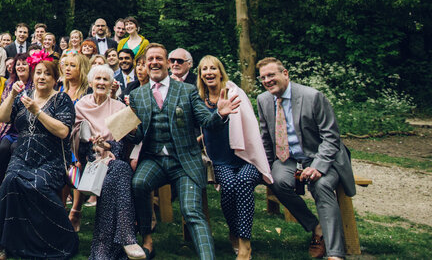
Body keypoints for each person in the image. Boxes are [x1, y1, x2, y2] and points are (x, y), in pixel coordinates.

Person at [128, 43, 239, 260]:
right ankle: (147, 240)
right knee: (138, 183)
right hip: (154, 160)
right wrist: (128, 131)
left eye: (159, 58)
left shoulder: (187, 91)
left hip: (184, 161)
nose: (154, 63)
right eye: (150, 59)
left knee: (191, 211)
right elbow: (138, 135)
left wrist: (220, 114)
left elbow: (206, 121)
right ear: (144, 64)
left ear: (167, 63)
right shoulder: (137, 95)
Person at [256, 57, 356, 260]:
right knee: (276, 180)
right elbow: (266, 138)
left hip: (321, 156)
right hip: (288, 159)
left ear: (285, 74)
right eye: (263, 77)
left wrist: (318, 167)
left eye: (271, 75)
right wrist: (264, 168)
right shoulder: (263, 100)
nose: (267, 80)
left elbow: (331, 136)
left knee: (321, 186)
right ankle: (316, 228)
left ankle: (335, 254)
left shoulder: (313, 96)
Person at [0, 53, 78, 260]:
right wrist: (11, 95)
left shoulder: (61, 99)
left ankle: (45, 241)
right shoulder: (23, 96)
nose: (42, 77)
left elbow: (63, 131)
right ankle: (2, 243)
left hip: (49, 159)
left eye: (47, 74)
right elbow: (1, 117)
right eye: (38, 73)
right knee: (10, 181)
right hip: (22, 155)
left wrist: (37, 111)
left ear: (56, 79)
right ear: (33, 76)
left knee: (38, 185)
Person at [197, 56, 272, 260]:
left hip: (245, 156)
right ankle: (235, 231)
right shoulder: (199, 100)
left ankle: (245, 244)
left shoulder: (235, 93)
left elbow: (249, 125)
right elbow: (207, 128)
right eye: (205, 69)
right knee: (229, 186)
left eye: (213, 68)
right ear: (201, 75)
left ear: (221, 72)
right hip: (220, 160)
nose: (209, 72)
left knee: (244, 182)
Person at [71, 65, 146, 259]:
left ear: (112, 84)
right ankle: (127, 238)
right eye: (98, 79)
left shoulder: (119, 107)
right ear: (90, 82)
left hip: (114, 160)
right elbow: (76, 143)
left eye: (106, 80)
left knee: (116, 174)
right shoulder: (81, 107)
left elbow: (131, 140)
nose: (101, 83)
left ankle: (101, 251)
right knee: (120, 172)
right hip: (90, 162)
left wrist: (109, 147)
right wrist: (96, 149)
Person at [0, 52, 30, 204]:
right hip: (11, 129)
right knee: (3, 148)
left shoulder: (34, 85)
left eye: (24, 63)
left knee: (14, 148)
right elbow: (2, 112)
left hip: (28, 130)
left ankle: (15, 190)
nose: (20, 66)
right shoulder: (10, 84)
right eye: (18, 64)